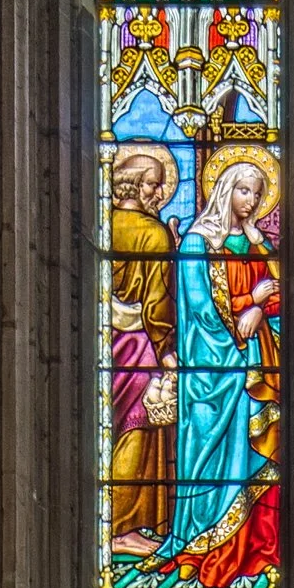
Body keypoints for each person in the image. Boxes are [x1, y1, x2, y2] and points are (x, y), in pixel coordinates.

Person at [164, 145, 278, 585]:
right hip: (215, 367)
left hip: (254, 361)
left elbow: (279, 290)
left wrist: (257, 244)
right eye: (244, 191)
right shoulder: (198, 241)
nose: (250, 200)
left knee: (257, 455)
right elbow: (199, 308)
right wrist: (251, 304)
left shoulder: (250, 242)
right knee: (212, 458)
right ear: (226, 189)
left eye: (258, 193)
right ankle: (200, 547)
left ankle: (252, 551)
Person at [107, 139, 179, 552]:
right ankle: (122, 526)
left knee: (116, 426)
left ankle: (118, 526)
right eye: (151, 185)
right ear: (131, 185)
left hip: (110, 344)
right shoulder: (152, 235)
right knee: (138, 427)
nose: (156, 192)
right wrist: (167, 350)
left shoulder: (105, 223)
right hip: (140, 345)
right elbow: (156, 302)